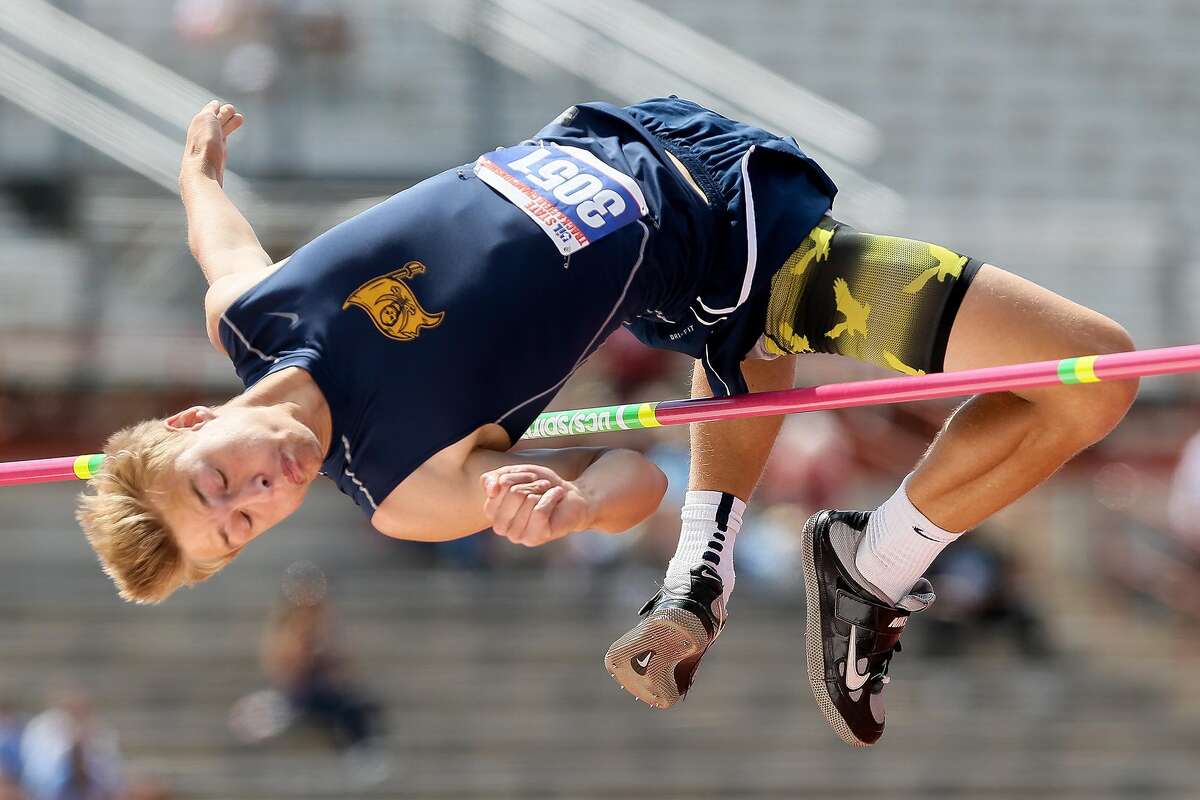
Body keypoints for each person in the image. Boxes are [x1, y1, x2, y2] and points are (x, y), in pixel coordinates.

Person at [75, 97, 1136, 747]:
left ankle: (731, 574)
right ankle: (877, 560)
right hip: (741, 253)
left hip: (645, 140)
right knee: (1097, 372)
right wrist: (576, 508)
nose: (261, 491)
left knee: (754, 360)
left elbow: (219, 239)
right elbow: (639, 479)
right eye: (243, 524)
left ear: (190, 419)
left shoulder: (251, 317)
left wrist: (195, 169)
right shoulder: (404, 489)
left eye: (218, 481)